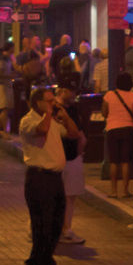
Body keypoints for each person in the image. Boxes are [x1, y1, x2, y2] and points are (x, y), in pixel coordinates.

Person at [19, 88, 77, 265]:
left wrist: (65, 117)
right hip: (39, 178)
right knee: (43, 224)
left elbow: (73, 134)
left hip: (55, 178)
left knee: (55, 223)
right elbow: (41, 130)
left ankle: (33, 264)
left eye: (54, 101)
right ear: (39, 103)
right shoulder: (29, 120)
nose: (54, 104)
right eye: (50, 101)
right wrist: (49, 114)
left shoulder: (52, 120)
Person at [55, 87, 89, 245]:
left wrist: (81, 144)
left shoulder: (74, 109)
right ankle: (55, 229)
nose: (75, 94)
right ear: (62, 90)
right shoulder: (53, 109)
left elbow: (79, 133)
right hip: (57, 158)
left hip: (73, 156)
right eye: (72, 90)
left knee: (70, 196)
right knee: (56, 195)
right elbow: (71, 133)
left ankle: (66, 230)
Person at [103, 73, 133, 199]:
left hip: (112, 129)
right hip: (128, 130)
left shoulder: (109, 95)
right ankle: (125, 191)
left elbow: (104, 113)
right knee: (126, 161)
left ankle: (114, 191)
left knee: (114, 161)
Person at [0, 45, 15, 137]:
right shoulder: (3, 59)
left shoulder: (8, 58)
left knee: (7, 108)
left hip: (7, 85)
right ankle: (4, 132)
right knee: (5, 108)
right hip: (3, 86)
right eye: (13, 47)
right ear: (10, 48)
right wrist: (10, 76)